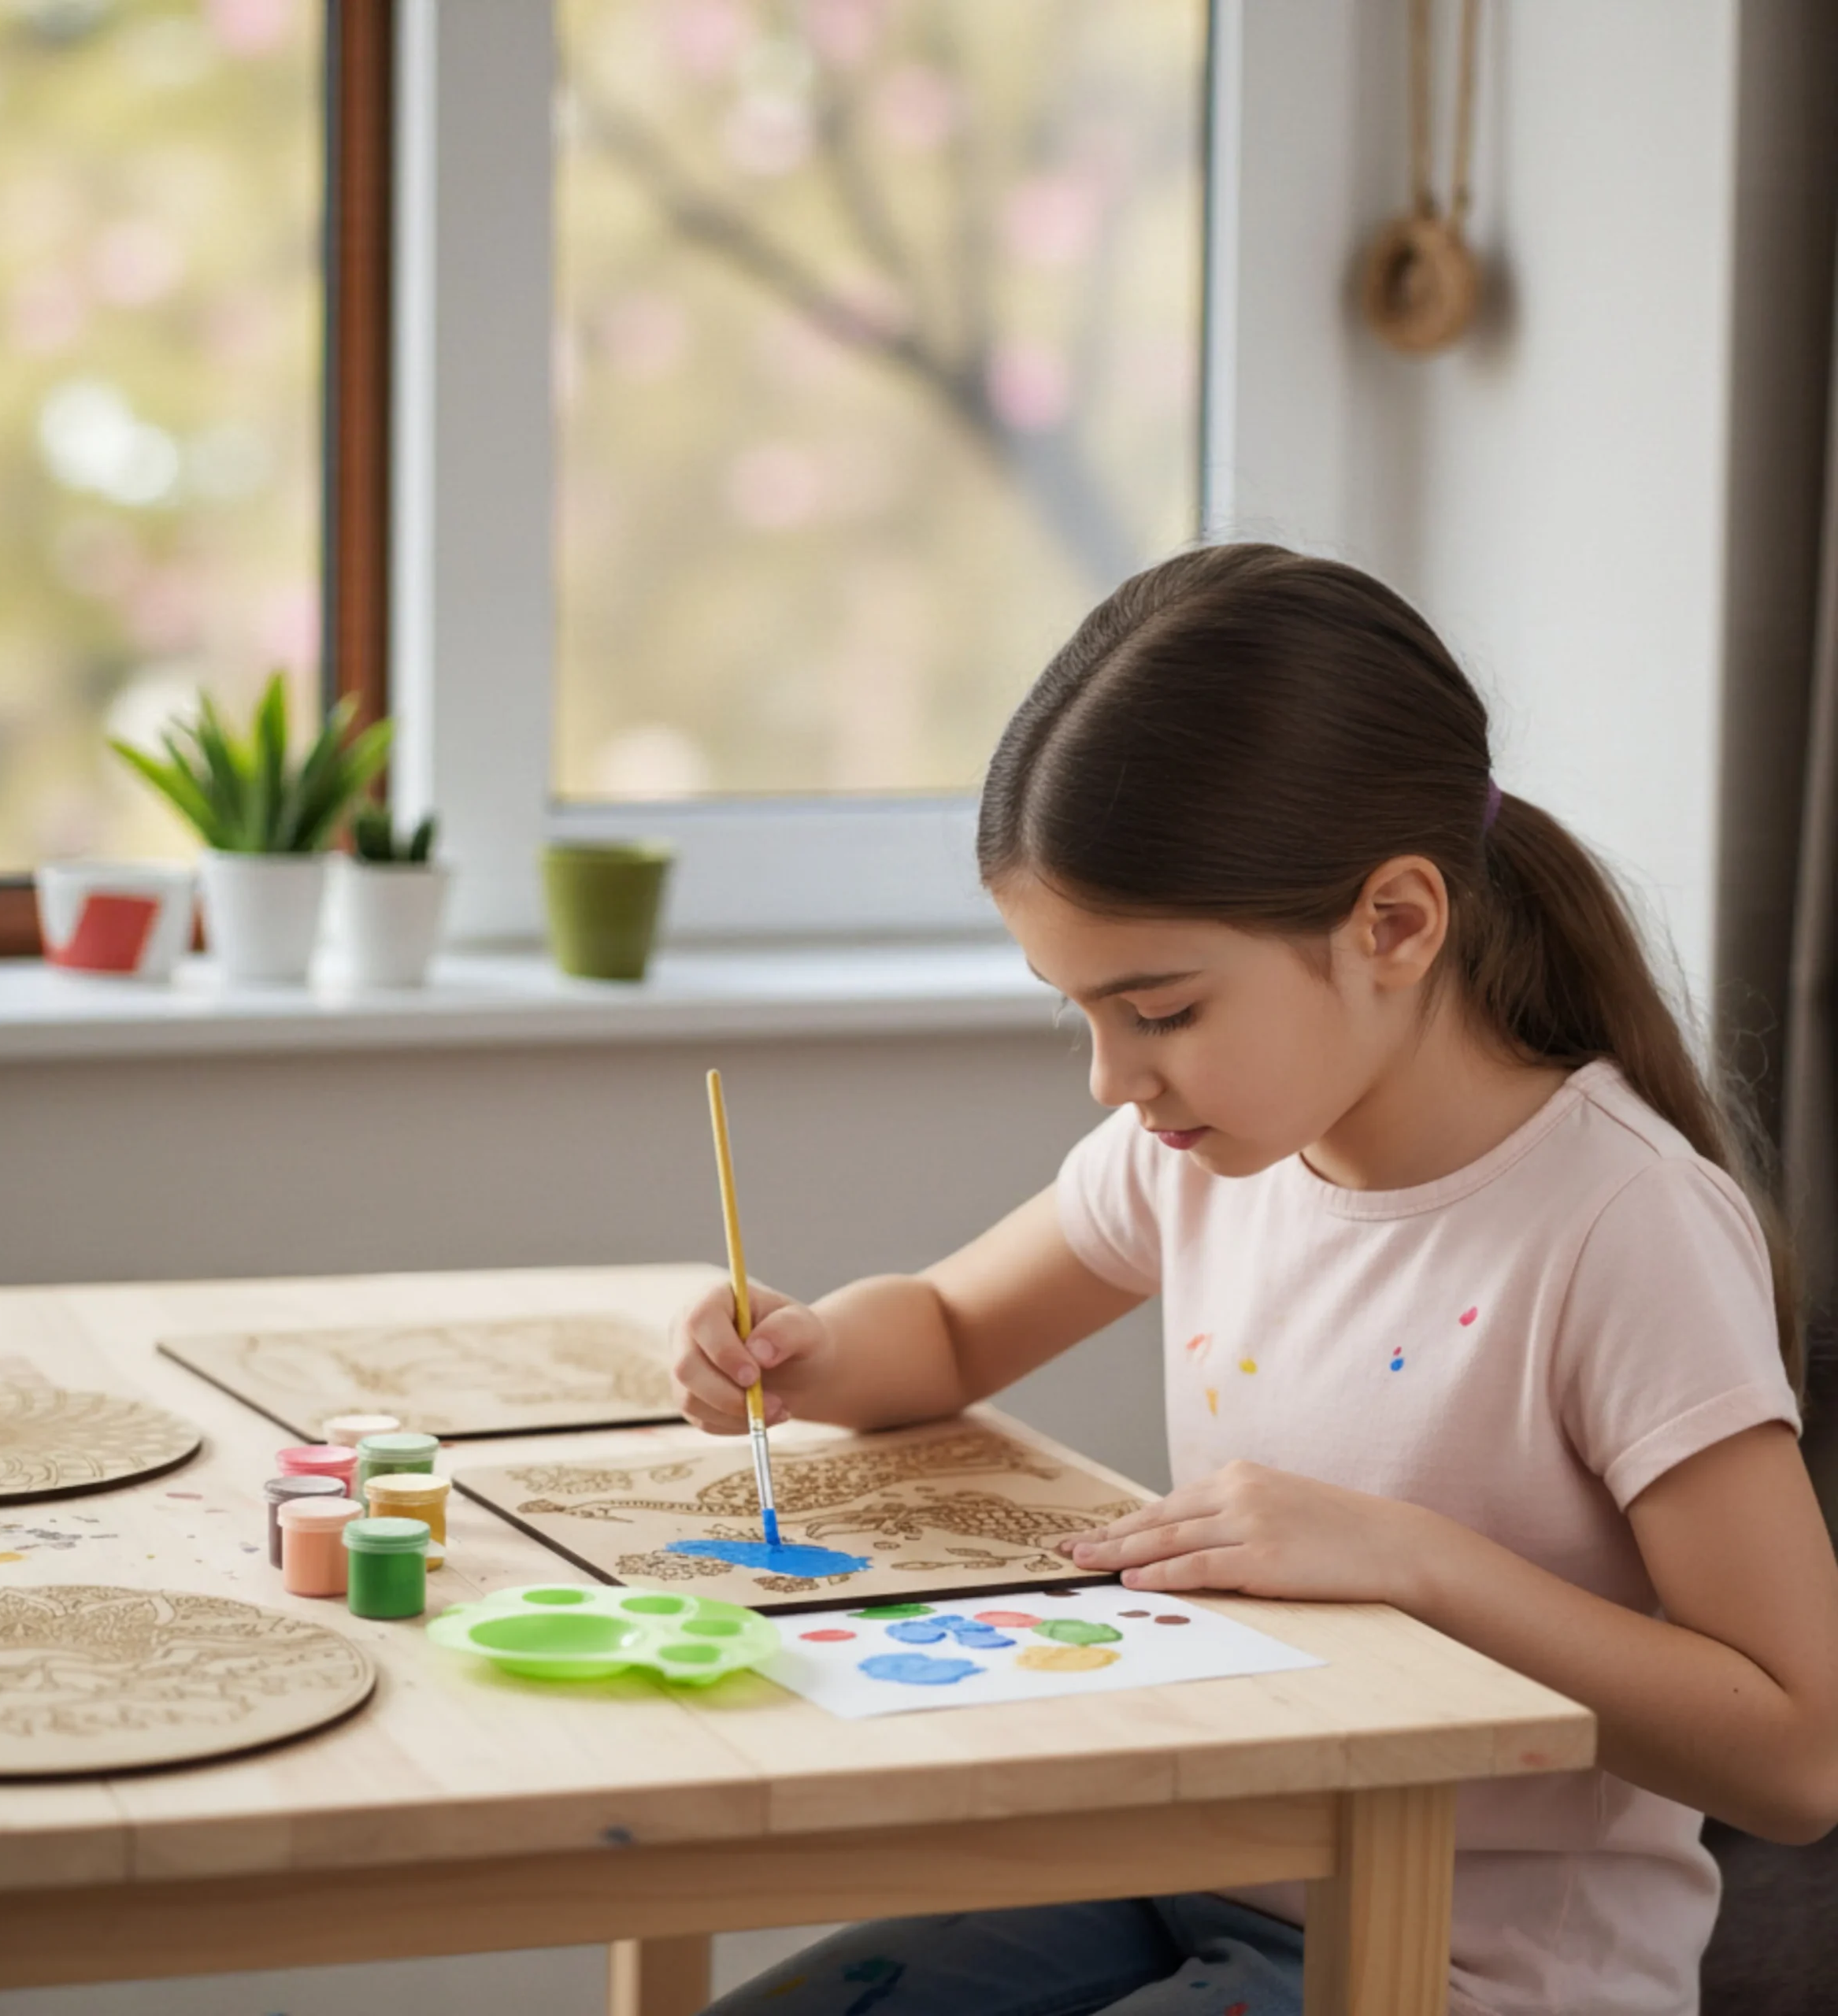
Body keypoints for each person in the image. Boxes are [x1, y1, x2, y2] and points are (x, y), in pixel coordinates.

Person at [673, 545, 1838, 2016]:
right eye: (1079, 1017)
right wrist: (808, 1347)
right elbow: (958, 1327)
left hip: (1474, 1968)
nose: (1114, 1077)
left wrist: (1414, 1560)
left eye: (1157, 1010)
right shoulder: (1201, 1151)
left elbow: (1799, 1755)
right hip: (1188, 1860)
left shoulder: (1624, 1226)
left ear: (1395, 925)